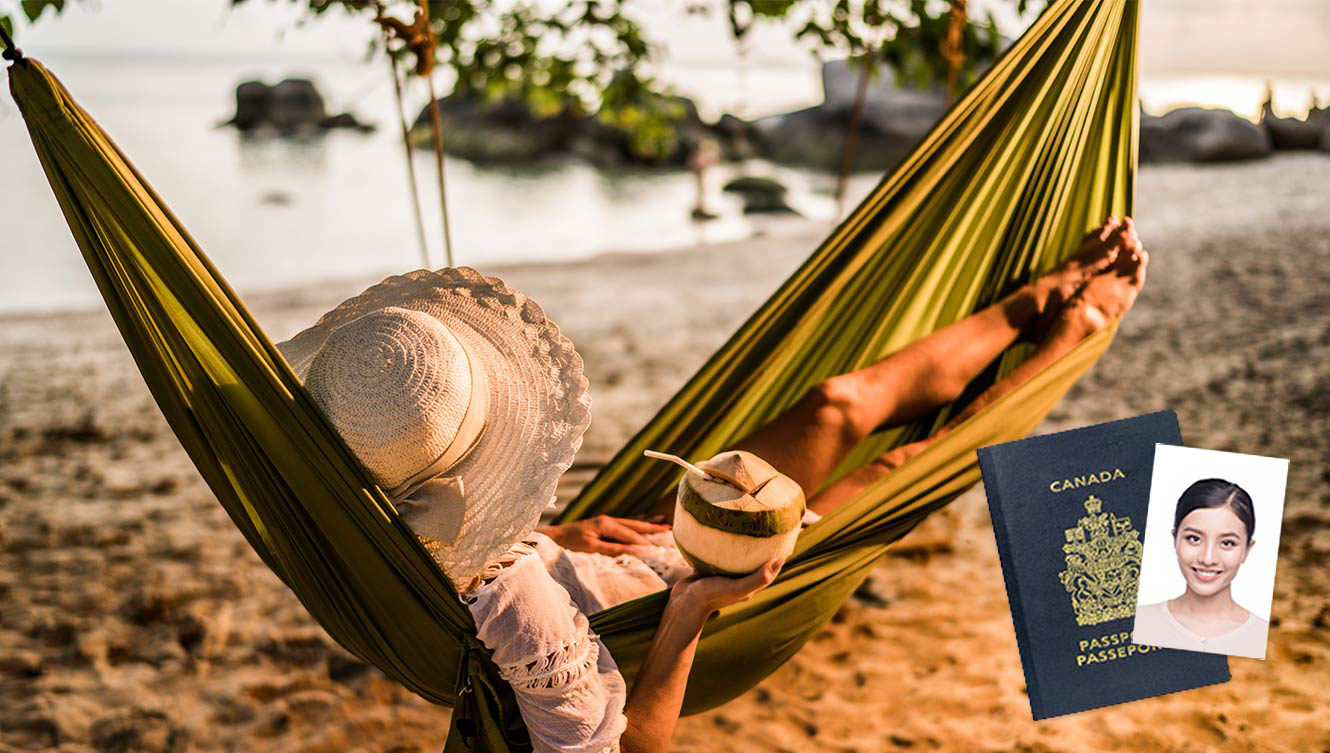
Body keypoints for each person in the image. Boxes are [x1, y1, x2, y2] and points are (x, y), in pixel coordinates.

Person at [276, 217, 1147, 753]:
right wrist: (694, 603)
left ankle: (1040, 293)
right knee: (888, 470)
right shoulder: (518, 618)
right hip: (681, 586)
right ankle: (1074, 329)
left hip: (620, 545)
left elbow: (472, 562)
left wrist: (552, 537)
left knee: (835, 403)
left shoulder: (356, 503)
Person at [1133, 479, 1271, 659]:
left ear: (1247, 549)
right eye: (1194, 539)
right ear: (1175, 539)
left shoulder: (1266, 638)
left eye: (1227, 543)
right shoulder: (1138, 622)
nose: (1207, 559)